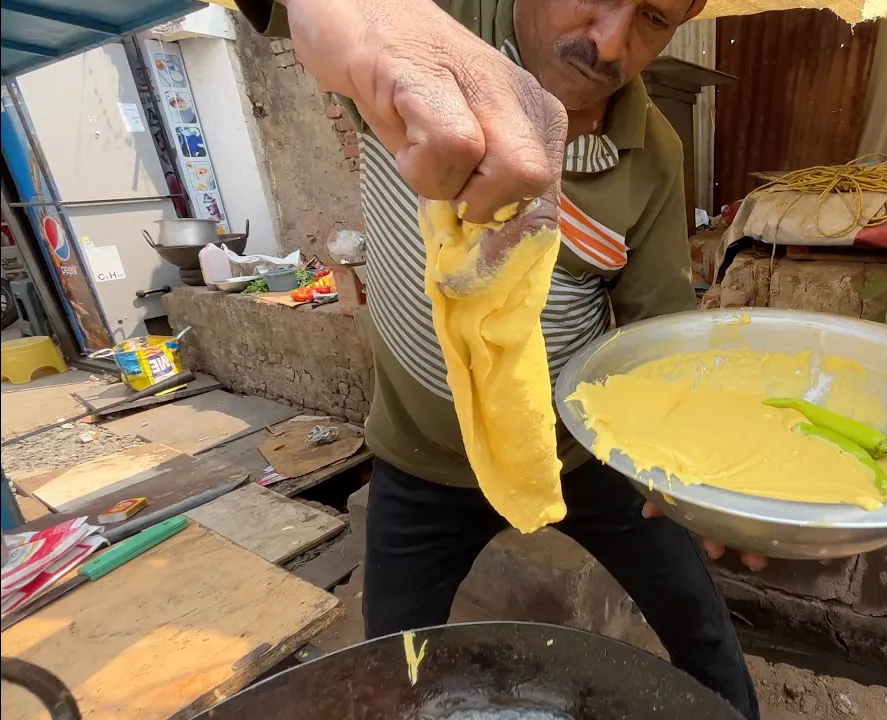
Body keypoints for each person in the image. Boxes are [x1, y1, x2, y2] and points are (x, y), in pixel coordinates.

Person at [232, 0, 762, 716]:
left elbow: (655, 335)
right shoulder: (434, 23)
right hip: (422, 464)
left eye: (656, 17)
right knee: (390, 669)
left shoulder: (653, 151)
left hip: (577, 454)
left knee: (702, 629)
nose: (611, 42)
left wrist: (698, 464)